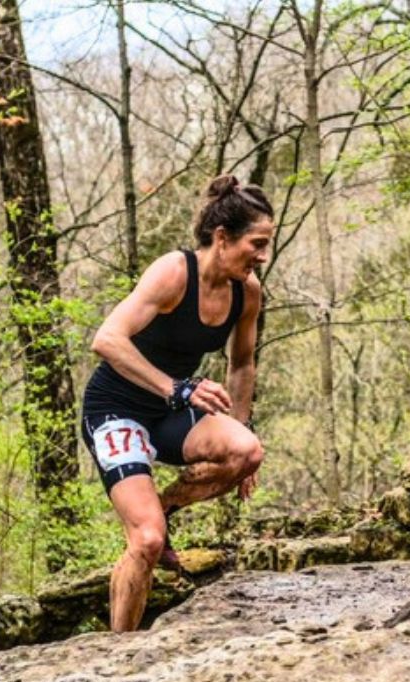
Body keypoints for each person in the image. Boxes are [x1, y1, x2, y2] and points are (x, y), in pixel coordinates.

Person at [81, 175, 274, 632]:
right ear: (222, 238)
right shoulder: (174, 272)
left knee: (247, 452)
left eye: (267, 245)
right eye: (257, 244)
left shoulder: (247, 292)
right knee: (146, 541)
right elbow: (106, 339)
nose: (263, 256)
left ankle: (167, 508)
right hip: (116, 408)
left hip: (169, 412)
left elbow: (242, 363)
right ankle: (117, 651)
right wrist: (175, 388)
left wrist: (240, 431)